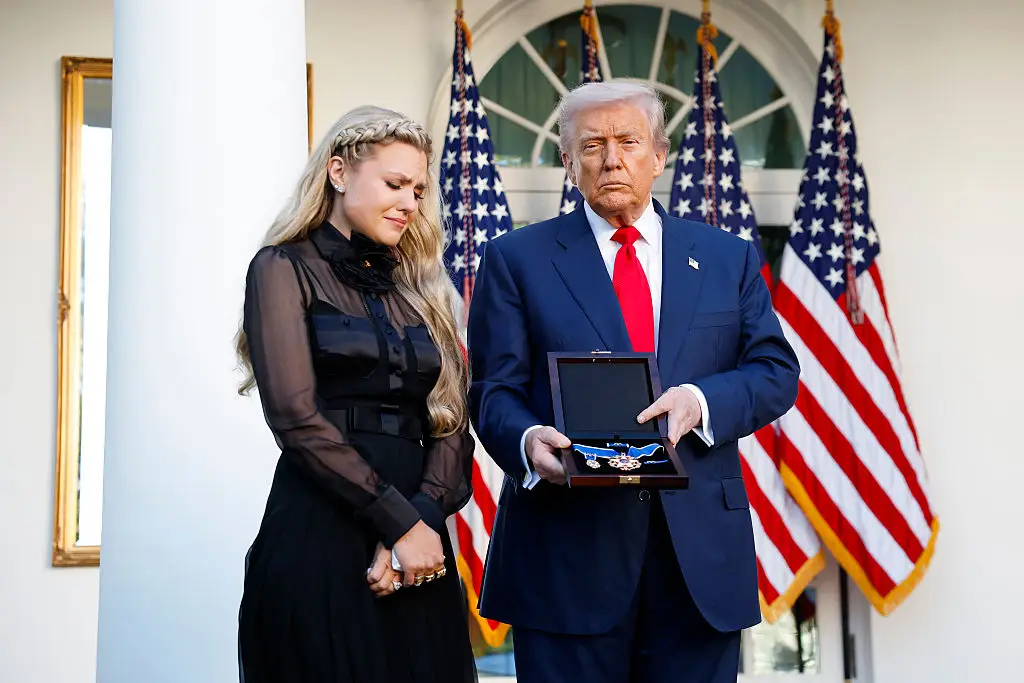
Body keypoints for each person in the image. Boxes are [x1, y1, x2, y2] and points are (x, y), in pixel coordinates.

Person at [467, 82, 800, 683]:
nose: (612, 160)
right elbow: (493, 393)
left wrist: (700, 401)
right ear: (568, 162)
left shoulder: (726, 257)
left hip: (698, 559)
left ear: (659, 155)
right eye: (592, 145)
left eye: (628, 142)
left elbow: (775, 371)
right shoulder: (515, 259)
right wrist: (528, 441)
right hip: (567, 554)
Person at [236, 105, 477, 683]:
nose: (410, 203)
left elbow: (450, 421)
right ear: (339, 172)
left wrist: (420, 522)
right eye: (395, 184)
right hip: (321, 528)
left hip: (420, 544)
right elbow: (294, 416)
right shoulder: (281, 267)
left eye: (418, 190)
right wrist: (398, 523)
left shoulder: (423, 286)